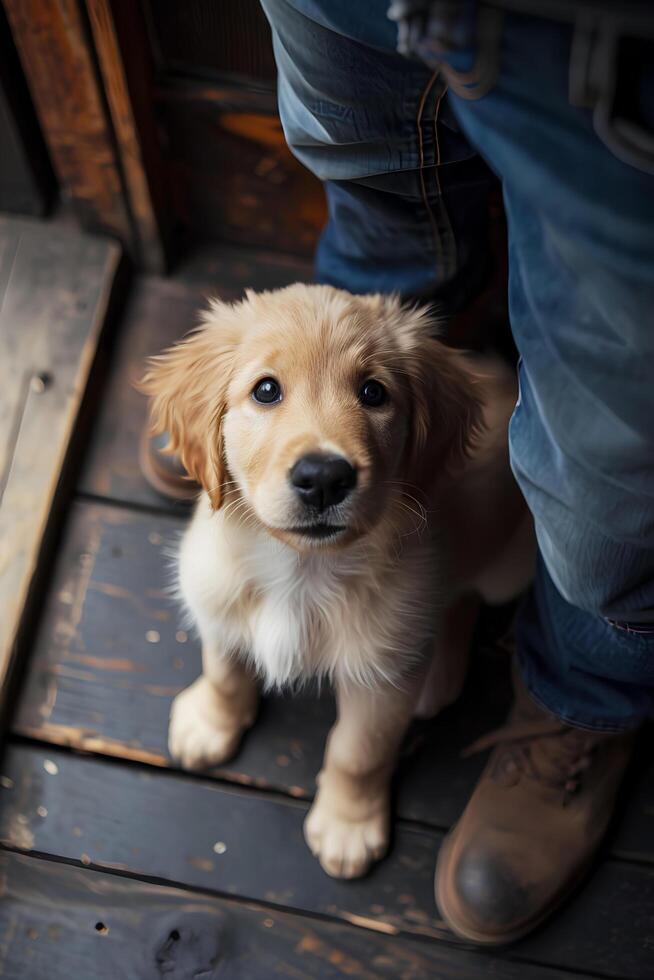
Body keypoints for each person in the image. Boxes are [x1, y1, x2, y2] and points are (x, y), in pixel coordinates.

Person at [143, 0, 654, 944]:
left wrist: (354, 782)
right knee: (371, 176)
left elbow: (379, 686)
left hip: (601, 55)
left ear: (418, 432)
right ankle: (231, 682)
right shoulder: (215, 560)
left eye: (373, 394)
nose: (327, 447)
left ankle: (569, 687)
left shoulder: (405, 548)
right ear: (207, 422)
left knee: (517, 553)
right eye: (264, 391)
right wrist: (222, 688)